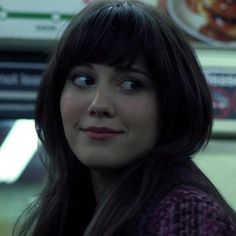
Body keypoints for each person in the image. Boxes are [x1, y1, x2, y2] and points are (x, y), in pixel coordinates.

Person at [15, 0, 236, 235]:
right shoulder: (79, 202)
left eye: (131, 84)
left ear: (172, 103)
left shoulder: (186, 214)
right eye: (83, 80)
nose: (99, 105)